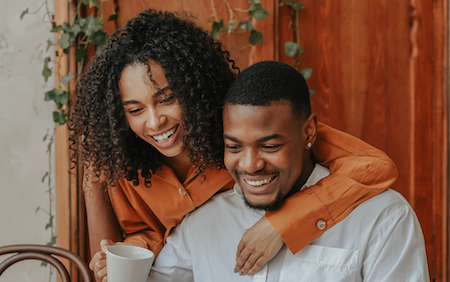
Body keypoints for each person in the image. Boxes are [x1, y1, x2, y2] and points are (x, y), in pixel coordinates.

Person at [69, 10, 398, 282]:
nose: (154, 122)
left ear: (193, 87)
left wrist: (282, 224)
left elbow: (373, 166)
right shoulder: (127, 165)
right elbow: (138, 243)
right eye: (135, 110)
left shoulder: (245, 137)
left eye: (167, 99)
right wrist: (94, 187)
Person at [148, 61, 429, 282]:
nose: (249, 165)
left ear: (308, 132)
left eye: (269, 146)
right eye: (234, 147)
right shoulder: (202, 224)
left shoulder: (383, 217)